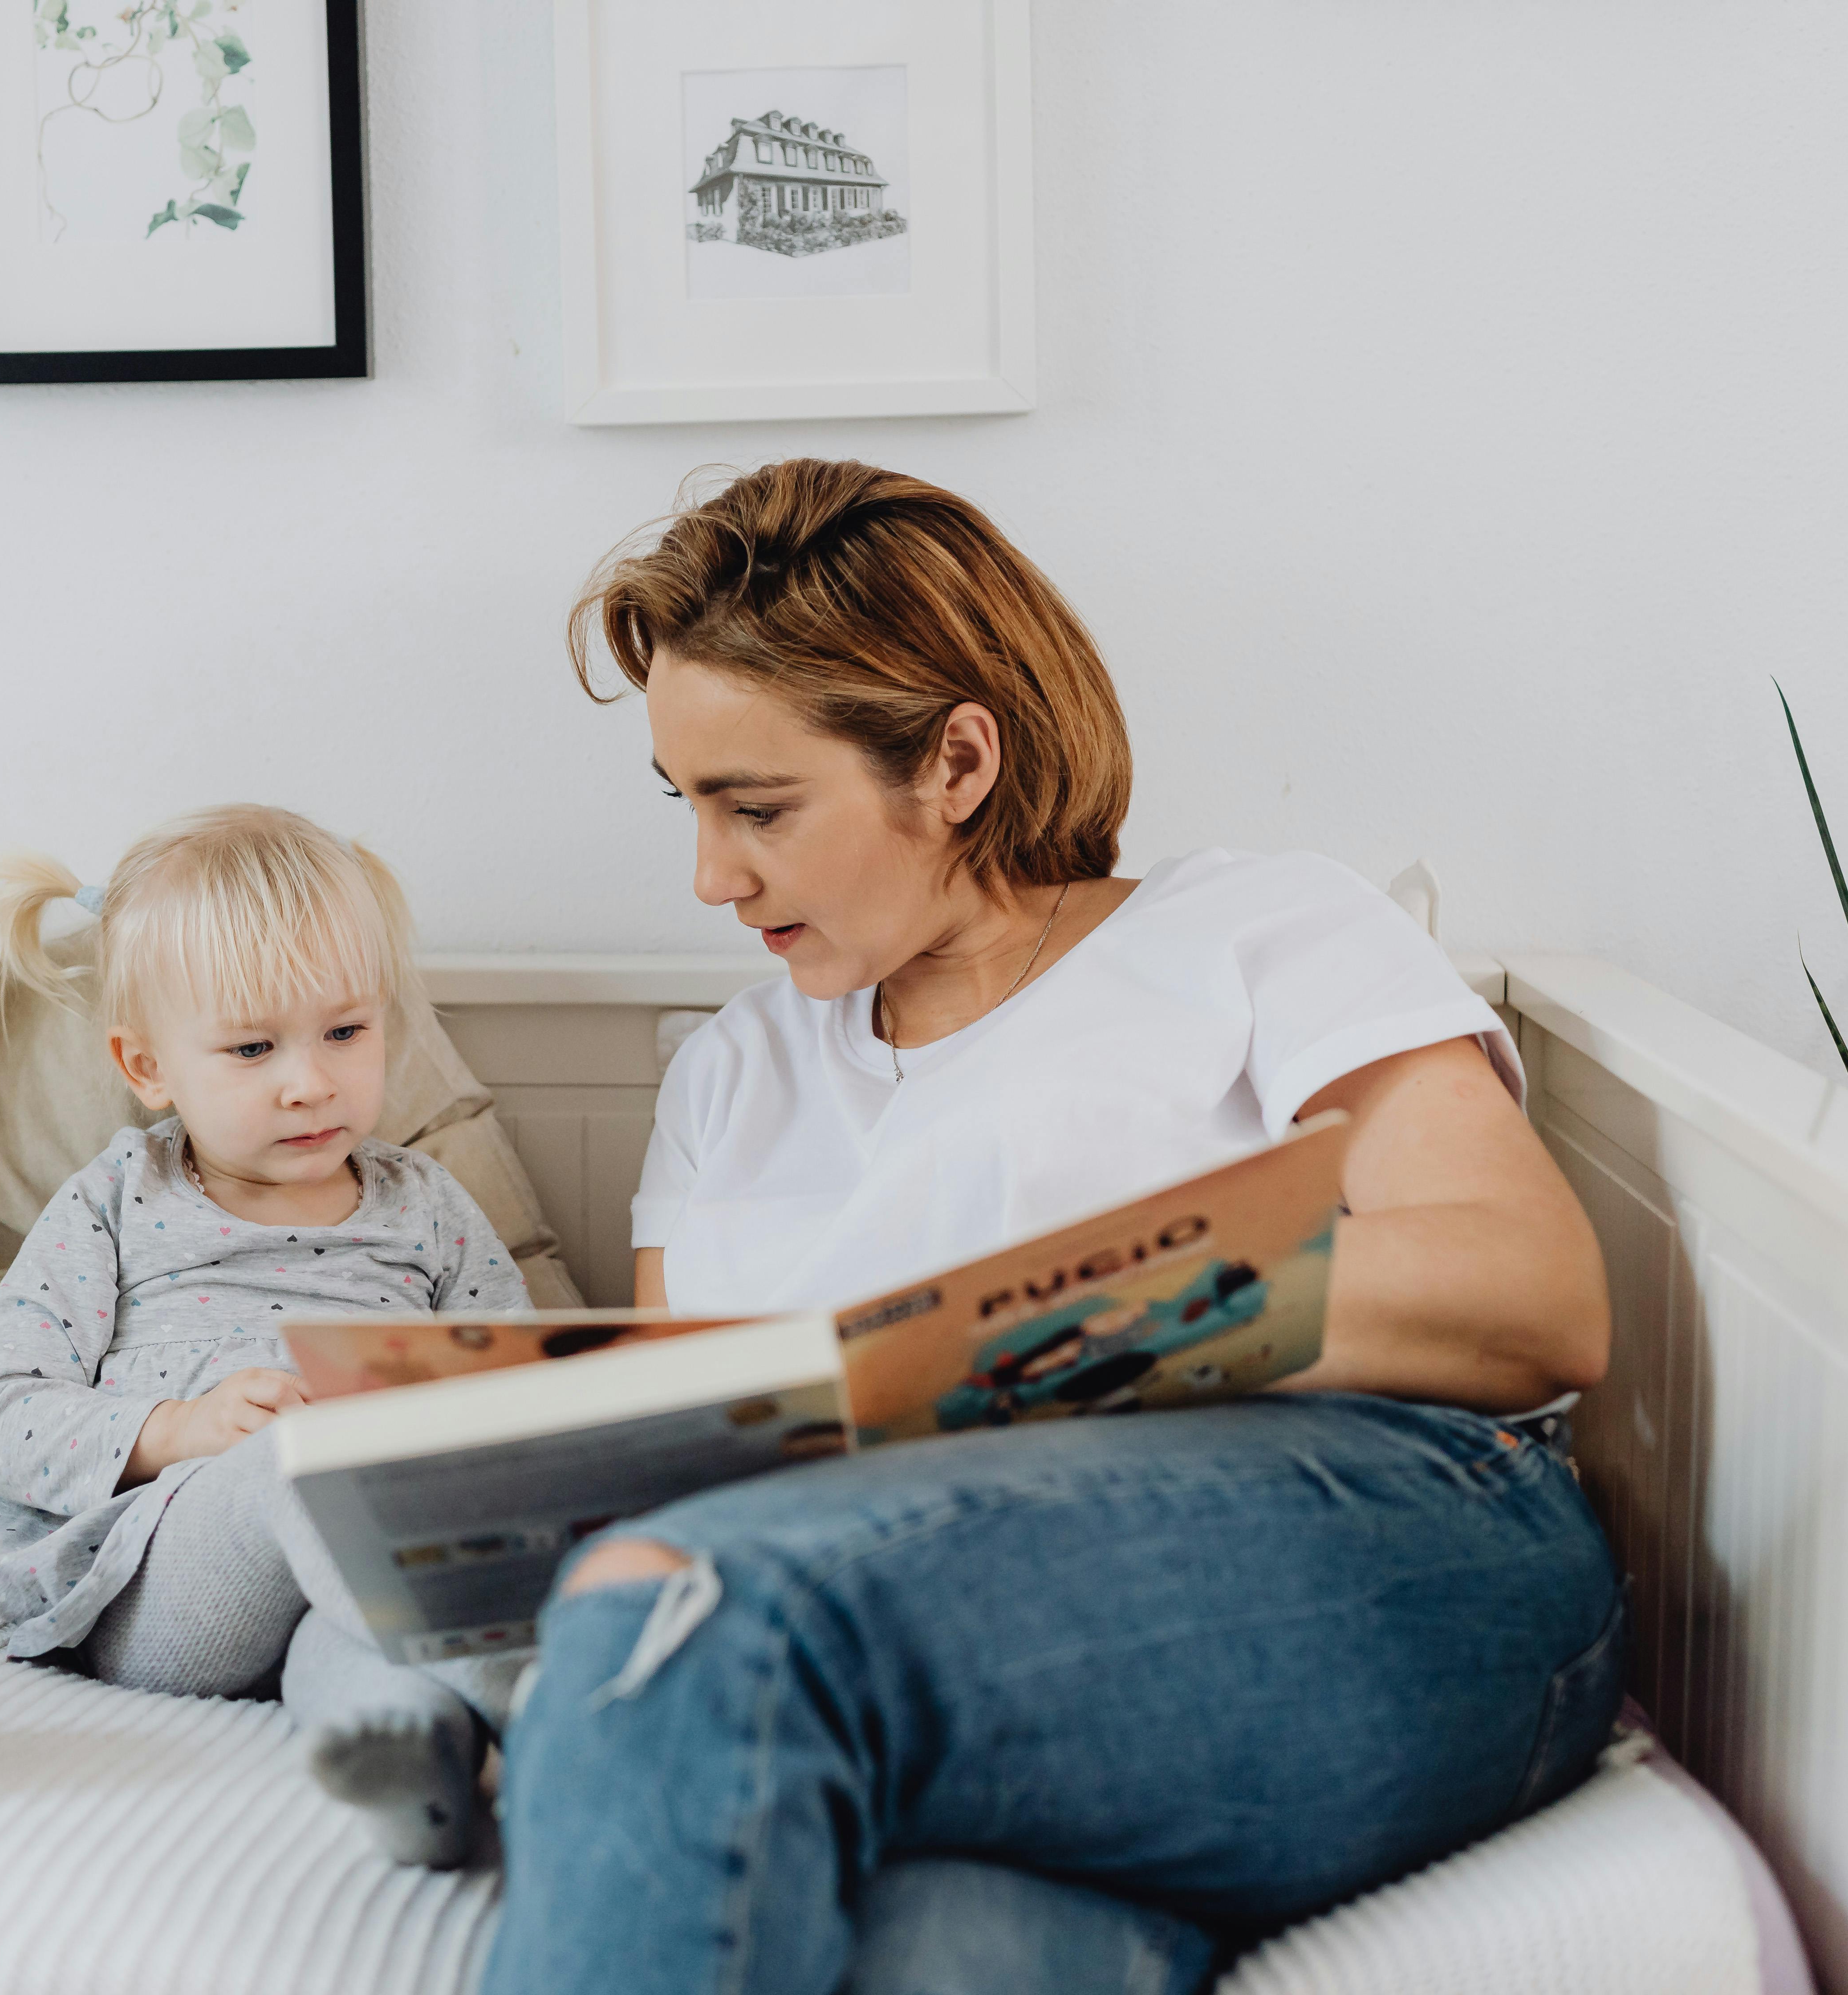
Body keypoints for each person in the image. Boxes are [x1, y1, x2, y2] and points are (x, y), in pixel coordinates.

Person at [481, 462, 1624, 1995]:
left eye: (757, 809)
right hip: (963, 1631)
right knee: (942, 1952)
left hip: (1391, 1530)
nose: (711, 875)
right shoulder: (731, 1076)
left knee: (691, 1616)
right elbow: (706, 1458)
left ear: (956, 762)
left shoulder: (1255, 930)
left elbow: (1530, 1294)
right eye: (690, 807)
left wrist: (996, 1342)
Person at [0, 805, 531, 1867]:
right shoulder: (118, 1202)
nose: (309, 1079)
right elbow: (0, 1416)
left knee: (357, 1657)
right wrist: (174, 1430)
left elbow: (521, 1382)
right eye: (253, 1047)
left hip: (361, 1570)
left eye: (346, 1032)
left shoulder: (427, 1205)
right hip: (162, 1577)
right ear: (149, 1066)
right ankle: (544, 1706)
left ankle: (418, 1767)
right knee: (296, 1465)